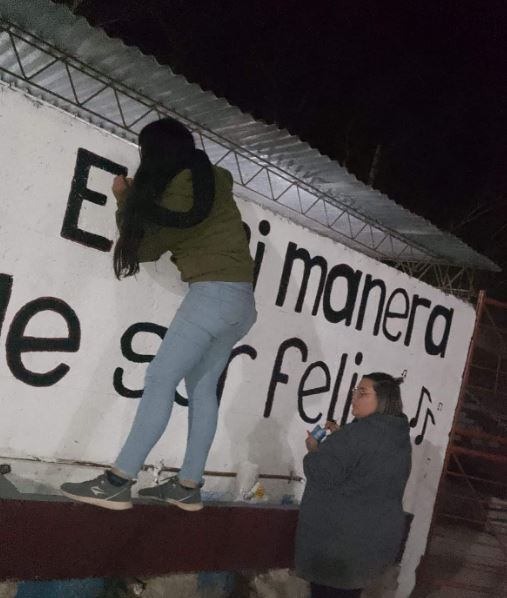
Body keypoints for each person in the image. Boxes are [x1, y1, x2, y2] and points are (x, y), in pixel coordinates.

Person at [61, 117, 257, 512]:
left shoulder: (180, 189)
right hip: (242, 303)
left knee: (159, 377)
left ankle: (119, 480)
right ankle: (188, 485)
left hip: (213, 295)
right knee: (201, 388)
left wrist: (122, 199)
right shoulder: (211, 179)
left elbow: (145, 249)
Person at [295, 373, 412, 598]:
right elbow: (364, 468)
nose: (354, 398)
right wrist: (340, 438)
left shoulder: (356, 434)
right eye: (354, 392)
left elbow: (321, 473)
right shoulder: (398, 436)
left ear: (383, 399)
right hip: (372, 542)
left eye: (362, 393)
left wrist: (314, 449)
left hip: (339, 546)